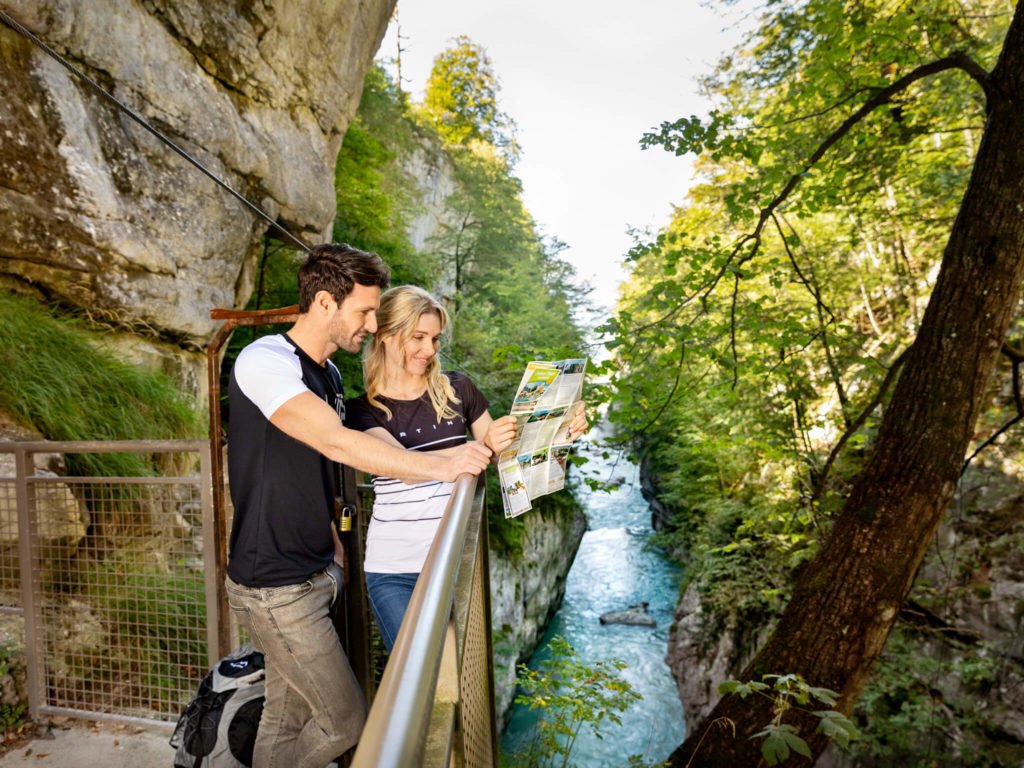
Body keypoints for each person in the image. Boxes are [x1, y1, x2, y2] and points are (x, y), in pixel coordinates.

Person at [223, 245, 492, 768]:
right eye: (365, 311)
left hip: (316, 570)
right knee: (347, 724)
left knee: (287, 716)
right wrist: (446, 464)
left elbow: (316, 472)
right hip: (274, 583)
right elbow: (337, 444)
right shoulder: (266, 361)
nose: (372, 324)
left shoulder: (328, 375)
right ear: (325, 303)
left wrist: (332, 546)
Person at [344, 285, 588, 651]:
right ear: (386, 336)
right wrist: (478, 449)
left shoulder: (459, 388)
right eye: (419, 338)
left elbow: (506, 455)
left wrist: (558, 430)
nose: (430, 350)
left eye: (436, 339)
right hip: (394, 568)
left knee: (445, 670)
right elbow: (408, 467)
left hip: (455, 561)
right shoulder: (362, 410)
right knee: (412, 672)